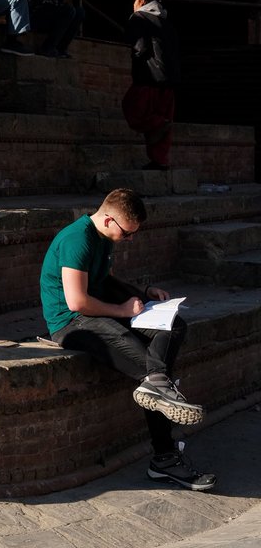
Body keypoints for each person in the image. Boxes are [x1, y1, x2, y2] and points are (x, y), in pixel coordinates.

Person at [40, 188, 214, 491]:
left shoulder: (104, 237)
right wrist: (122, 309)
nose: (130, 239)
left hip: (96, 312)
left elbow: (104, 281)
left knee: (174, 326)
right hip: (70, 325)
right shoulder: (76, 239)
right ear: (108, 220)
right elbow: (77, 302)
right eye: (127, 233)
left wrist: (142, 294)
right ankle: (165, 456)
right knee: (151, 369)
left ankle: (160, 386)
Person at [123, 0, 180, 170]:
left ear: (141, 0)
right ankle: (160, 161)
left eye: (135, 0)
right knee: (163, 114)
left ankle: (159, 124)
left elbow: (139, 47)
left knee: (133, 109)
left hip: (149, 78)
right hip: (170, 79)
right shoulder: (166, 21)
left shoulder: (139, 18)